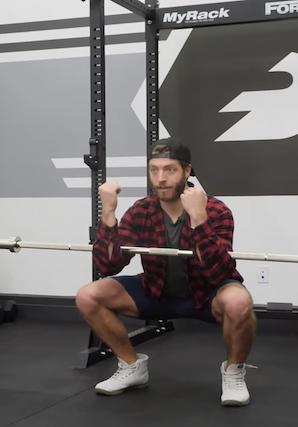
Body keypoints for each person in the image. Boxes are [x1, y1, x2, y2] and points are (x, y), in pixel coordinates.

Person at [75, 137, 257, 407]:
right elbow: (108, 265)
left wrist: (199, 219)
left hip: (206, 295)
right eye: (154, 170)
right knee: (88, 295)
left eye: (169, 170)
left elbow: (218, 272)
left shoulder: (216, 209)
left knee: (239, 300)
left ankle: (233, 373)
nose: (160, 178)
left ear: (187, 171)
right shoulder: (141, 210)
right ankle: (132, 366)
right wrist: (109, 212)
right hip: (156, 292)